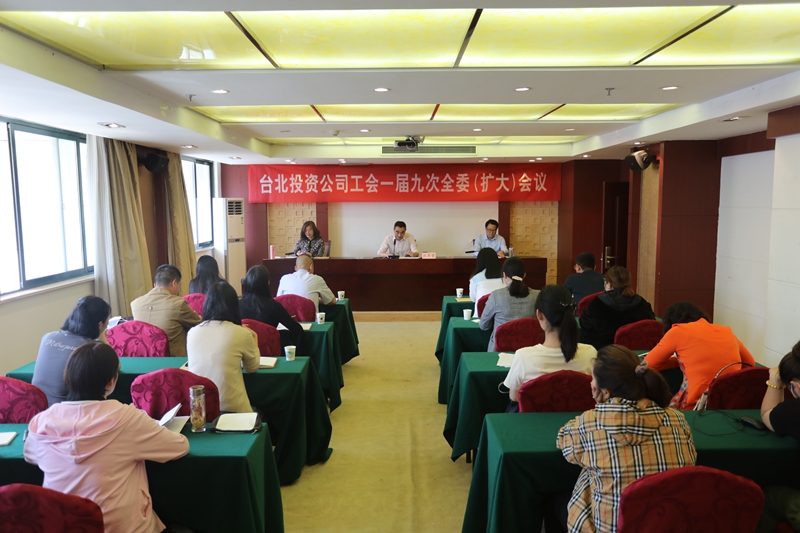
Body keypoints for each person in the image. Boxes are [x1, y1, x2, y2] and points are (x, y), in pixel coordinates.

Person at [24, 341, 189, 533]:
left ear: (68, 378)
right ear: (111, 382)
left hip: (62, 526)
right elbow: (179, 447)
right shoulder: (128, 418)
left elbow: (30, 455)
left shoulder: (42, 421)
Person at [557, 345, 696, 533]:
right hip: (667, 525)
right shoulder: (677, 419)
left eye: (592, 378)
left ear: (605, 391)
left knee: (562, 495)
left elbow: (565, 445)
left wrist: (597, 411)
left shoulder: (589, 423)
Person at [645, 301, 755, 409]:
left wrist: (678, 362)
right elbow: (750, 363)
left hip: (697, 406)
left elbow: (648, 364)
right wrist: (682, 361)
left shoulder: (678, 330)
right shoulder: (726, 331)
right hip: (732, 402)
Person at [503, 285, 596, 402]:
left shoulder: (523, 357)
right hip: (580, 413)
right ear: (572, 312)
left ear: (539, 314)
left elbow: (515, 397)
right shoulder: (590, 353)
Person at [187, 282, 259, 413]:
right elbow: (252, 368)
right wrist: (255, 338)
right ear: (234, 306)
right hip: (233, 410)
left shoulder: (192, 332)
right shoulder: (241, 333)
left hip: (201, 409)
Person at [32, 295, 111, 406]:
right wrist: (100, 333)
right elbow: (114, 366)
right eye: (107, 320)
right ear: (100, 324)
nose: (108, 323)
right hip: (66, 410)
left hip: (36, 407)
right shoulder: (90, 349)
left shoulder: (48, 337)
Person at [757, 340, 800, 533]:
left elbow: (768, 413)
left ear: (795, 387)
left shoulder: (793, 412)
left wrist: (774, 382)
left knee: (768, 496)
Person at [131, 264, 202, 357]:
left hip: (144, 359)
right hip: (173, 361)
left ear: (155, 285)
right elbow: (199, 324)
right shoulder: (178, 304)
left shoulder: (135, 304)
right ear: (174, 283)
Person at [579, 265, 655, 350]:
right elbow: (650, 323)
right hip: (633, 351)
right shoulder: (641, 302)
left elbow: (585, 324)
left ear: (609, 284)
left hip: (602, 351)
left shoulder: (598, 302)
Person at [479, 257, 540, 352]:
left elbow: (483, 325)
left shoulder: (496, 296)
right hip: (528, 352)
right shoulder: (537, 295)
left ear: (504, 275)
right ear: (524, 275)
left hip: (498, 352)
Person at [240, 265, 304, 353]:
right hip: (270, 354)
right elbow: (296, 329)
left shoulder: (235, 305)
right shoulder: (274, 306)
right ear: (267, 283)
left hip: (243, 354)